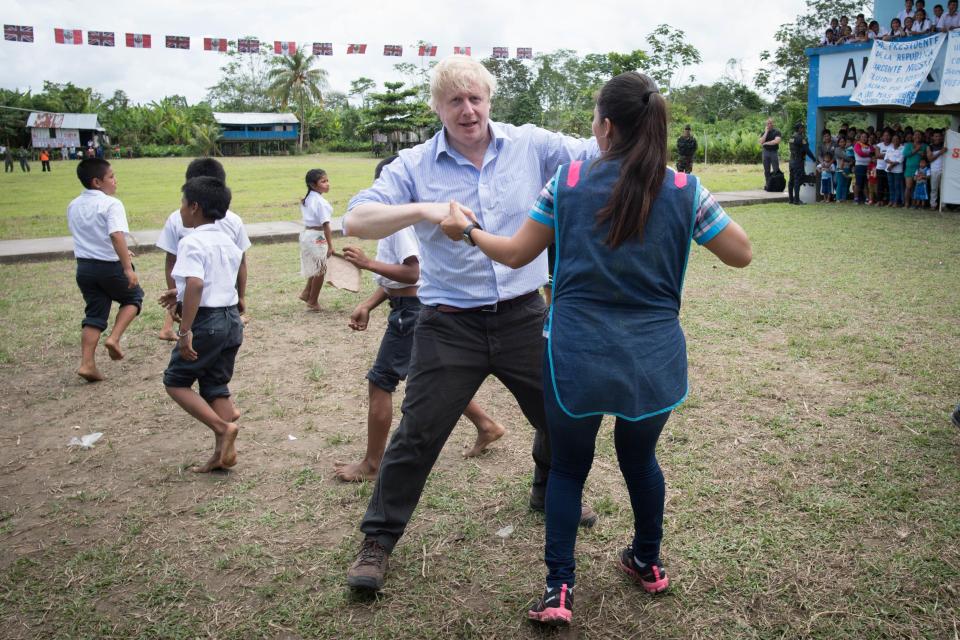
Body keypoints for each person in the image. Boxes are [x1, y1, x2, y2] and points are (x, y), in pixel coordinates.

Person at [438, 71, 751, 626]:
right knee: (640, 459)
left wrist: (466, 231)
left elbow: (513, 255)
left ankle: (559, 589)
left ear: (605, 126)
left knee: (567, 471)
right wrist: (689, 205)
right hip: (652, 361)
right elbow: (740, 254)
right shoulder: (685, 190)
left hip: (575, 356)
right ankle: (647, 562)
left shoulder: (569, 182)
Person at [341, 55, 600, 593]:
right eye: (455, 100)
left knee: (559, 415)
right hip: (448, 322)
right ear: (438, 107)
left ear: (489, 100)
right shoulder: (414, 165)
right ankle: (378, 542)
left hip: (525, 313)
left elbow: (598, 151)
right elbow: (356, 219)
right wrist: (424, 209)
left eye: (476, 97)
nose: (468, 109)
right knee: (417, 434)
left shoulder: (530, 144)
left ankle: (545, 487)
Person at [334, 156, 506, 482]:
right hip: (410, 309)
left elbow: (412, 273)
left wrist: (368, 264)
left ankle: (371, 464)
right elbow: (402, 282)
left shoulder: (398, 227)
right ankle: (487, 425)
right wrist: (370, 303)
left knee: (381, 381)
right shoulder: (404, 224)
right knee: (432, 379)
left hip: (410, 314)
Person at [159, 177, 243, 474]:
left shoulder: (191, 241)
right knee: (215, 384)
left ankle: (222, 427)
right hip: (231, 319)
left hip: (207, 322)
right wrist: (177, 292)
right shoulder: (228, 241)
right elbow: (212, 281)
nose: (180, 209)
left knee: (175, 381)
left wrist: (184, 332)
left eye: (182, 203)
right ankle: (221, 454)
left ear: (194, 207)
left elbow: (196, 283)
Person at [156, 158, 250, 342]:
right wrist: (240, 297)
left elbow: (171, 262)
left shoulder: (181, 220)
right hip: (222, 306)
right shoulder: (230, 220)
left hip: (206, 306)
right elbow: (242, 263)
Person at [67, 159, 143, 382]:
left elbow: (90, 235)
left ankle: (87, 363)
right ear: (97, 182)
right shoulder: (111, 204)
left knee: (94, 314)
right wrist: (127, 268)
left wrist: (122, 253)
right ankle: (115, 338)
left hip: (85, 268)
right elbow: (115, 235)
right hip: (109, 266)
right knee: (133, 298)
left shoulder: (73, 205)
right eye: (111, 176)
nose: (115, 181)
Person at [298, 169, 335, 312]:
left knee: (316, 266)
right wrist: (330, 245)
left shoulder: (308, 199)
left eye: (327, 180)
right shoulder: (320, 202)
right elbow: (326, 225)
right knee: (321, 268)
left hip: (307, 234)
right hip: (317, 236)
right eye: (323, 181)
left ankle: (307, 292)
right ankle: (313, 301)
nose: (327, 184)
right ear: (313, 185)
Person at [788, 123, 817, 205]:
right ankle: (797, 200)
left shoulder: (791, 137)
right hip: (798, 161)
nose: (803, 129)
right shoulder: (801, 138)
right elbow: (807, 150)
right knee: (797, 180)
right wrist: (814, 159)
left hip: (791, 161)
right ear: (799, 129)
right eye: (802, 128)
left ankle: (791, 199)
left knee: (791, 180)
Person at [903, 131, 927, 209]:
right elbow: (906, 154)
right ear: (913, 136)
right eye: (915, 135)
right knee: (908, 187)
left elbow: (927, 157)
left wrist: (924, 155)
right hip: (909, 169)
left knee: (916, 187)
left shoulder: (925, 146)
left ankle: (914, 204)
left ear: (922, 137)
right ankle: (906, 204)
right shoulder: (908, 145)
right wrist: (916, 149)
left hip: (920, 170)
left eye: (919, 135)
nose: (917, 136)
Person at [885, 134, 906, 207]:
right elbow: (886, 158)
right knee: (891, 186)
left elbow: (901, 159)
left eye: (897, 139)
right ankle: (891, 200)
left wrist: (892, 165)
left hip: (897, 170)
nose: (895, 140)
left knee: (897, 186)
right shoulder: (889, 148)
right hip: (889, 170)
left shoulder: (903, 148)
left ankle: (896, 202)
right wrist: (891, 164)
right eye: (894, 139)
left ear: (900, 140)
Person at [759, 118, 782, 184]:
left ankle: (777, 184)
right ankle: (768, 184)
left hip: (774, 152)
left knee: (776, 169)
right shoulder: (764, 133)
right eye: (767, 123)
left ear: (773, 124)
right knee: (766, 170)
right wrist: (766, 132)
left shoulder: (777, 132)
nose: (769, 125)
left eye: (770, 123)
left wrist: (766, 143)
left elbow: (776, 141)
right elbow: (761, 142)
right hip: (765, 152)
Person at [927, 130, 946, 209]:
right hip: (934, 170)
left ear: (942, 137)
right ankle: (933, 205)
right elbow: (930, 159)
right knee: (934, 189)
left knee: (944, 189)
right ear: (932, 137)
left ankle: (943, 205)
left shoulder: (945, 145)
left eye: (939, 136)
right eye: (936, 136)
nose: (937, 138)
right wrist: (940, 152)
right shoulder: (930, 147)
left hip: (945, 170)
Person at [853, 132, 874, 204]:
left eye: (865, 137)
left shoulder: (869, 146)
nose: (864, 138)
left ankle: (867, 199)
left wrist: (869, 152)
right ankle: (856, 198)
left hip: (868, 166)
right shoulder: (857, 144)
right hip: (859, 166)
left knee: (866, 183)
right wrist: (869, 155)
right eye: (862, 137)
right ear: (860, 137)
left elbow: (873, 152)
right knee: (858, 183)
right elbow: (860, 153)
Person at [875, 130, 892, 206]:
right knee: (880, 185)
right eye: (885, 135)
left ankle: (888, 200)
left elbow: (893, 156)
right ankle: (879, 200)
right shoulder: (879, 145)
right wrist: (888, 155)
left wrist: (883, 155)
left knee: (888, 185)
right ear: (882, 137)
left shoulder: (892, 145)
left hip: (889, 168)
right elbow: (877, 155)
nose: (886, 137)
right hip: (880, 168)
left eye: (888, 135)